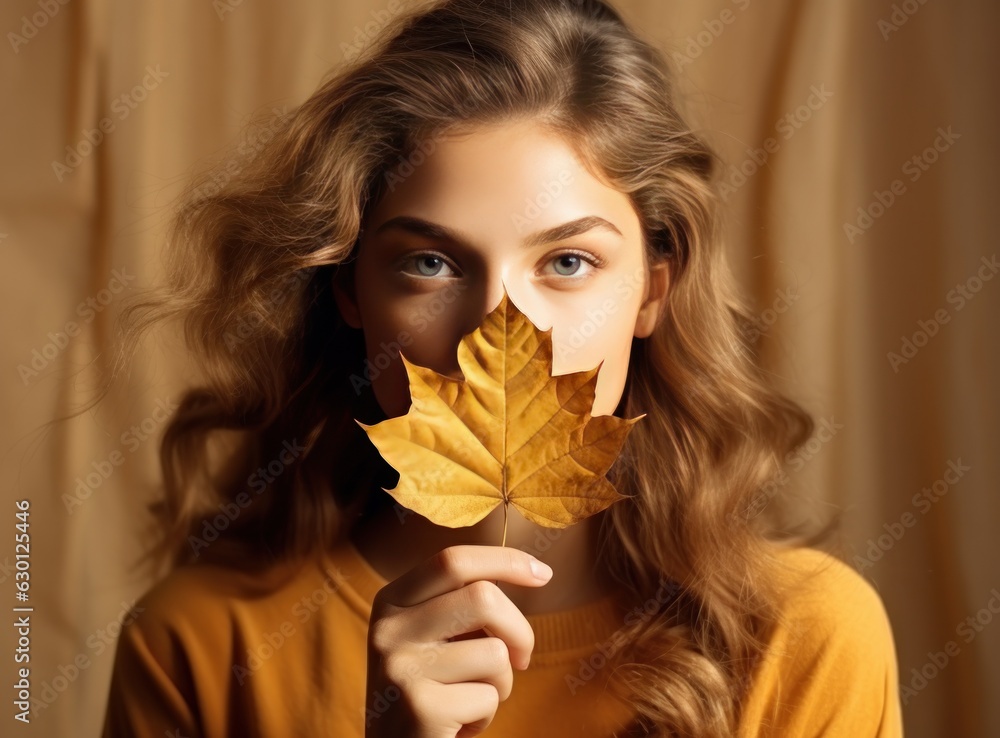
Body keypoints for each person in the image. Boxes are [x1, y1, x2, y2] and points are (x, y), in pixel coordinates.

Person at [99, 0, 903, 736]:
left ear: (653, 292)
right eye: (430, 263)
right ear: (349, 291)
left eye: (568, 261)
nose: (499, 325)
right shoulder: (198, 646)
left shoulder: (805, 637)